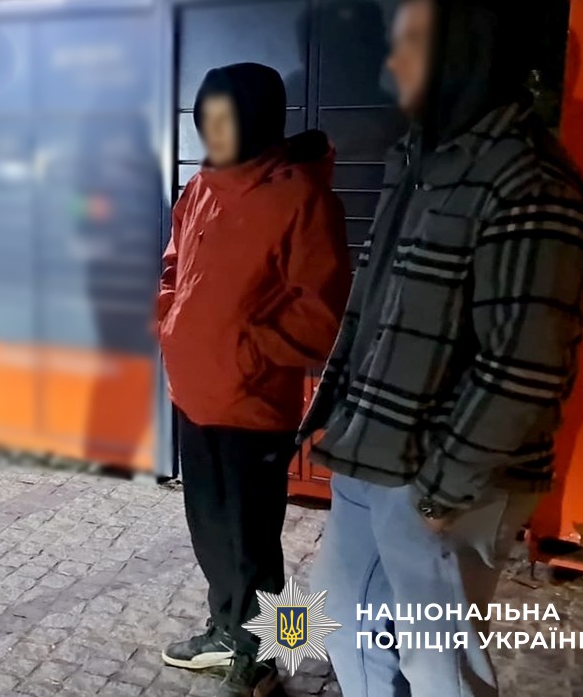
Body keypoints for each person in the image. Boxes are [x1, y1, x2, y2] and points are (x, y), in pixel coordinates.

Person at [301, 0, 583, 697]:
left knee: (439, 668)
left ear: (467, 51)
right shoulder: (419, 158)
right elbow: (378, 307)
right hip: (373, 449)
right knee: (334, 617)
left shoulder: (529, 180)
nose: (393, 62)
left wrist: (444, 489)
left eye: (413, 43)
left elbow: (524, 364)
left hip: (447, 475)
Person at [157, 63, 351, 696]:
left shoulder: (302, 197)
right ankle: (229, 632)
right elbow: (173, 268)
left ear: (259, 121)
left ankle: (272, 654)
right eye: (204, 119)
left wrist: (245, 348)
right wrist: (171, 325)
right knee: (214, 535)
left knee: (255, 543)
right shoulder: (200, 188)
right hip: (194, 392)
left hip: (253, 403)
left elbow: (320, 315)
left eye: (226, 119)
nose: (213, 132)